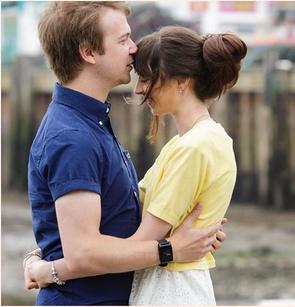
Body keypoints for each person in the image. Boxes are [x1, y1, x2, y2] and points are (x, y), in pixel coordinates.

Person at [27, 25, 247, 305]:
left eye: (148, 78)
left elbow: (139, 244)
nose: (141, 89)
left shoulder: (194, 147)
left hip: (169, 288)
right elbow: (127, 218)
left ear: (182, 81)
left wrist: (49, 270)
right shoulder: (194, 143)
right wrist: (42, 252)